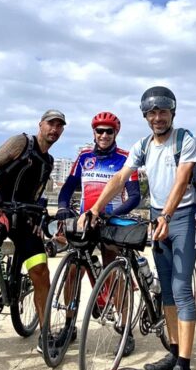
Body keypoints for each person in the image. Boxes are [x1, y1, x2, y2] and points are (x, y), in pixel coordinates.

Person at [78, 86, 196, 370]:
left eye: (163, 112)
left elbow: (182, 180)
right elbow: (120, 177)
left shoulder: (185, 140)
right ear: (145, 116)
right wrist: (95, 208)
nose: (157, 118)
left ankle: (184, 367)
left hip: (182, 217)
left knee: (182, 290)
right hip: (158, 217)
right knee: (167, 292)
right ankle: (174, 352)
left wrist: (167, 215)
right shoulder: (143, 145)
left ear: (172, 112)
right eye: (151, 113)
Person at [0, 109, 66, 352]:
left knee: (40, 270)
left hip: (24, 219)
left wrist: (39, 216)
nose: (54, 129)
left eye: (59, 126)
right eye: (51, 124)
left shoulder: (48, 162)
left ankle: (45, 333)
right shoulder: (21, 143)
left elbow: (36, 194)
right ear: (41, 125)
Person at [56, 111, 141, 355]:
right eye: (99, 131)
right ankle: (69, 325)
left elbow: (134, 196)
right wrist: (62, 207)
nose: (104, 135)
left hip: (111, 222)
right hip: (86, 221)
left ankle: (125, 329)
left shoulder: (125, 158)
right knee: (73, 271)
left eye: (109, 131)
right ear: (93, 133)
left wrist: (109, 214)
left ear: (116, 133)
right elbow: (68, 187)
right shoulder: (84, 157)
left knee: (114, 273)